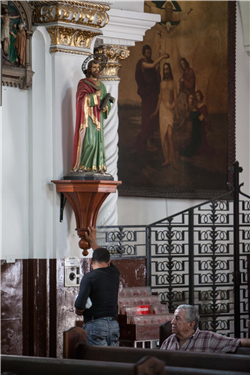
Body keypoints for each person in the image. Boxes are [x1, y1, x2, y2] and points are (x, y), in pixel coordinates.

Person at [75, 227, 120, 346]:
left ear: (91, 261)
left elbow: (79, 305)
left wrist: (79, 311)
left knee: (98, 362)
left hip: (96, 325)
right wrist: (93, 242)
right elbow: (102, 255)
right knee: (113, 363)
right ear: (109, 262)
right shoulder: (115, 273)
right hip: (114, 325)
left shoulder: (89, 277)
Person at [72, 60, 111, 173]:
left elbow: (105, 101)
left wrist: (105, 107)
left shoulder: (102, 85)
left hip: (99, 118)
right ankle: (84, 165)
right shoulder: (83, 83)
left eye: (98, 67)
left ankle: (98, 166)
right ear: (89, 69)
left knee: (99, 143)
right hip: (88, 117)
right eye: (94, 67)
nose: (97, 70)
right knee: (90, 141)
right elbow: (80, 98)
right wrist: (94, 95)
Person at [161, 304, 250, 352]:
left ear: (191, 325)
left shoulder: (208, 339)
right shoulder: (169, 341)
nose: (172, 322)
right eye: (173, 318)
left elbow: (237, 342)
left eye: (177, 318)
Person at [133, 45, 170, 153]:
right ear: (144, 53)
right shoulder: (142, 63)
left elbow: (154, 77)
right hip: (147, 95)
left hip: (153, 93)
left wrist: (157, 73)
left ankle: (151, 141)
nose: (149, 55)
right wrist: (162, 56)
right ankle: (146, 142)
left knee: (153, 116)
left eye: (150, 53)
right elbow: (153, 65)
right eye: (147, 53)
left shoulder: (151, 62)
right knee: (147, 117)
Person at [152, 62, 179, 169]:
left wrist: (175, 112)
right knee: (164, 136)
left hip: (170, 110)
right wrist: (155, 112)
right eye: (165, 69)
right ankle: (167, 159)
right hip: (163, 110)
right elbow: (159, 99)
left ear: (170, 70)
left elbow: (176, 99)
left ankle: (174, 161)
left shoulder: (173, 83)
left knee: (170, 135)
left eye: (168, 69)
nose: (166, 71)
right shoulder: (161, 83)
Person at [195, 90, 214, 156]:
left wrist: (196, 115)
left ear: (201, 96)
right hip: (197, 124)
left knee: (202, 138)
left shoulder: (203, 106)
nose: (197, 97)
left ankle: (204, 150)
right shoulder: (196, 105)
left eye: (198, 95)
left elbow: (201, 118)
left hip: (201, 124)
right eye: (196, 96)